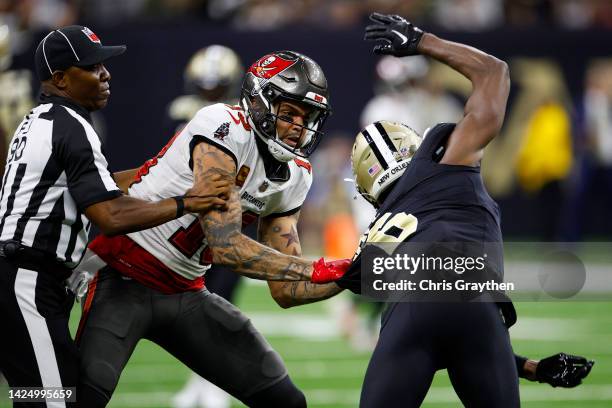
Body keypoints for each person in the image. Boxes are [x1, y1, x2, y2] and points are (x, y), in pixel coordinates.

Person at [265, 13, 594, 407]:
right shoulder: (450, 158)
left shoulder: (382, 232)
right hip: (477, 310)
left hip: (412, 315)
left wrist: (338, 269)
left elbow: (428, 308)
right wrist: (422, 40)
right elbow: (495, 73)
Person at [74, 50, 348, 408]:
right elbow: (225, 246)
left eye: (308, 116)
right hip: (122, 277)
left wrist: (350, 275)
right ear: (260, 103)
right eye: (289, 112)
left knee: (287, 401)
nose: (299, 125)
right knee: (77, 400)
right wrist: (320, 266)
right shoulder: (223, 125)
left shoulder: (297, 174)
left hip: (186, 292)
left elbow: (287, 290)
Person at [0, 25, 231, 408]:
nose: (105, 74)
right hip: (27, 282)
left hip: (27, 281)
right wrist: (188, 201)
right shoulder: (72, 127)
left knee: (43, 394)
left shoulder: (43, 120)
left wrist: (163, 171)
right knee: (56, 401)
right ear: (60, 78)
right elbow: (110, 215)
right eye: (92, 67)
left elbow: (101, 183)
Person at [165, 44, 244, 408]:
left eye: (216, 89)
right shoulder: (187, 115)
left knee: (220, 306)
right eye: (205, 88)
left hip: (228, 221)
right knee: (192, 310)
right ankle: (200, 380)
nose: (209, 96)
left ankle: (213, 384)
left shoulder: (242, 120)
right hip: (191, 225)